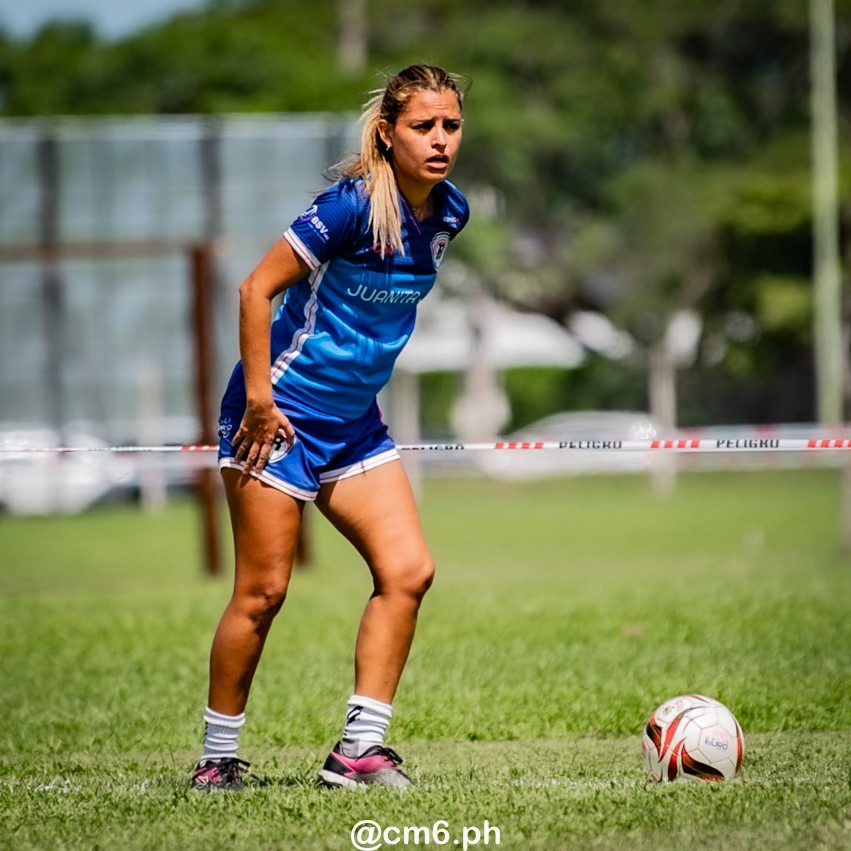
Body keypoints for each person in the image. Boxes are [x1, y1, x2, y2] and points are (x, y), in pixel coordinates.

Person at [190, 63, 469, 791]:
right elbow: (256, 288)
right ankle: (216, 761)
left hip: (354, 426)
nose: (440, 140)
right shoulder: (346, 207)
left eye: (450, 125)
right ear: (387, 133)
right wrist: (256, 399)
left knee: (408, 572)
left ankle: (356, 752)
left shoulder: (450, 214)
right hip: (274, 417)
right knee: (263, 591)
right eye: (422, 126)